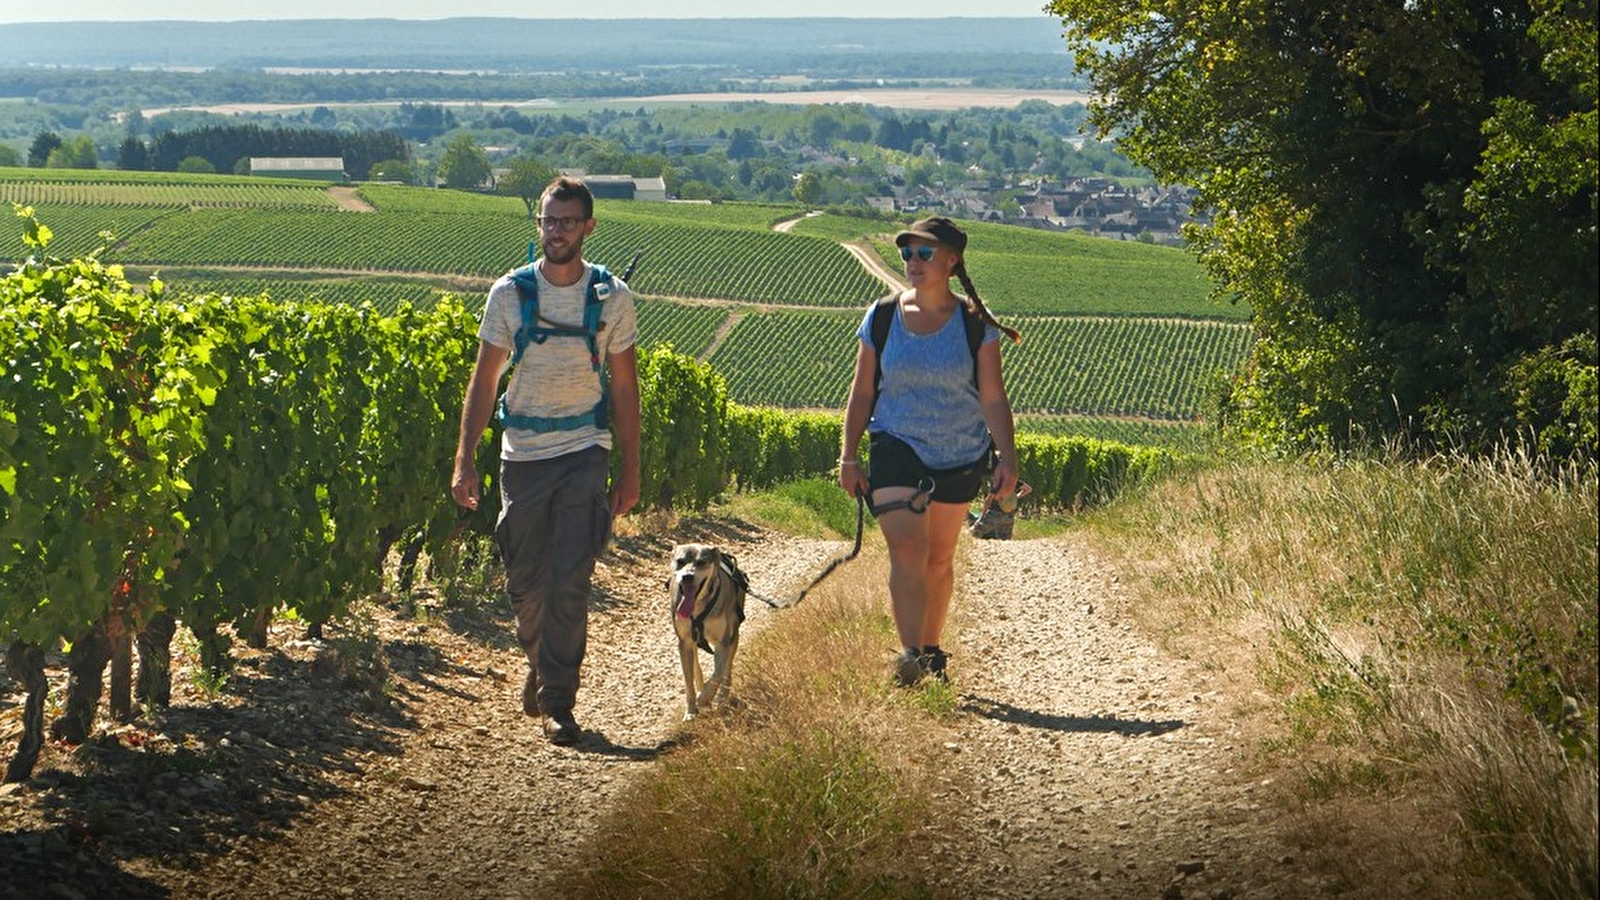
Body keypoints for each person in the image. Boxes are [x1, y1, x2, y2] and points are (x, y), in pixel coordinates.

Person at [452, 176, 641, 745]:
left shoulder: (612, 298)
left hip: (585, 449)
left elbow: (625, 386)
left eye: (566, 221)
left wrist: (631, 469)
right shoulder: (509, 294)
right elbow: (485, 379)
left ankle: (559, 700)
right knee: (526, 581)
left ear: (589, 227)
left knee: (569, 579)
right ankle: (540, 661)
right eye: (548, 221)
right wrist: (465, 458)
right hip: (523, 455)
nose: (555, 231)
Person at [838, 216, 1020, 687]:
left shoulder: (975, 323)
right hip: (895, 445)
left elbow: (993, 397)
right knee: (908, 548)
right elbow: (862, 391)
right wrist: (849, 456)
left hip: (959, 454)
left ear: (952, 261)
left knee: (938, 559)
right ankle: (911, 656)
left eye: (924, 253)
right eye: (907, 253)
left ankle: (932, 650)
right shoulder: (881, 317)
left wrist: (1008, 459)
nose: (912, 262)